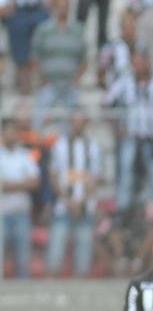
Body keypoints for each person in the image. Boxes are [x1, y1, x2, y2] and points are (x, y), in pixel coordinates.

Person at [107, 50, 153, 221]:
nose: (137, 67)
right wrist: (116, 127)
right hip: (131, 136)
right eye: (134, 63)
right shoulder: (124, 83)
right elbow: (108, 103)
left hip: (151, 137)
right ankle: (122, 211)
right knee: (126, 174)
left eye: (140, 62)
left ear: (147, 62)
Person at [46, 112, 103, 277]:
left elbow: (95, 178)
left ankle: (80, 296)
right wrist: (67, 200)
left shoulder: (92, 146)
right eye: (74, 122)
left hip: (85, 207)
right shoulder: (59, 145)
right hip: (63, 206)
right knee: (55, 255)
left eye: (80, 122)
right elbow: (54, 176)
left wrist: (81, 200)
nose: (77, 126)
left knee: (83, 259)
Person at [30, 0, 87, 131]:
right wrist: (43, 78)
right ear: (55, 6)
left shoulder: (78, 29)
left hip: (70, 85)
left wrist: (75, 79)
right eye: (60, 5)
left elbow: (84, 59)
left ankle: (69, 148)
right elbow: (35, 57)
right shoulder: (43, 30)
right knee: (39, 119)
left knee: (72, 122)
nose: (63, 8)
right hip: (48, 84)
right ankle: (39, 146)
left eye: (66, 5)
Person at [0, 121, 38, 278]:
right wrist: (22, 184)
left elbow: (35, 182)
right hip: (2, 213)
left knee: (23, 258)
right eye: (7, 132)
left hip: (22, 212)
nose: (11, 135)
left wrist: (8, 185)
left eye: (13, 132)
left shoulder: (25, 155)